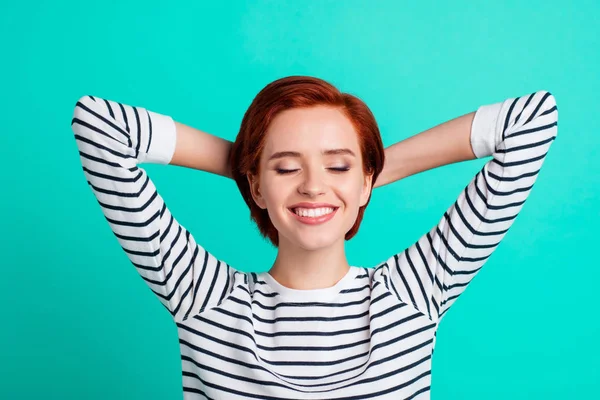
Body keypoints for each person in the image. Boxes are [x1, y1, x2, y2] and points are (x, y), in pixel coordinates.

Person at [71, 76, 558, 399]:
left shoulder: (415, 293)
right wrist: (248, 170)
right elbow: (100, 126)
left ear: (364, 178)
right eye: (287, 167)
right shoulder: (204, 300)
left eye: (337, 165)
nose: (312, 185)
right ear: (257, 184)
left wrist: (370, 173)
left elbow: (531, 120)